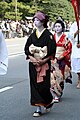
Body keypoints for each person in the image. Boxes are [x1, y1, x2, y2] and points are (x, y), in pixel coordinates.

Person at [24, 11, 56, 117]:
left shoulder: (49, 35)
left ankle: (48, 100)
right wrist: (32, 58)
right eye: (34, 20)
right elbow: (27, 48)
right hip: (33, 64)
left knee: (44, 86)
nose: (35, 22)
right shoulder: (32, 35)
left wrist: (44, 60)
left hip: (44, 64)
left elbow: (52, 50)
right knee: (34, 86)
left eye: (37, 20)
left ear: (42, 21)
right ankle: (38, 108)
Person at [50, 19, 72, 103]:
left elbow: (69, 49)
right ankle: (55, 93)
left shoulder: (65, 38)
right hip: (53, 60)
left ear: (62, 28)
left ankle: (58, 93)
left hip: (62, 60)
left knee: (60, 77)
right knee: (52, 77)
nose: (57, 28)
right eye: (55, 26)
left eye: (59, 26)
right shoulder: (52, 37)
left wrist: (62, 55)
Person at [69, 17, 80, 89]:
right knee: (77, 65)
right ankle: (79, 77)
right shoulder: (74, 24)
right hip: (76, 47)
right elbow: (70, 36)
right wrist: (76, 33)